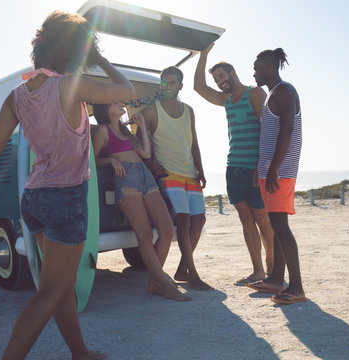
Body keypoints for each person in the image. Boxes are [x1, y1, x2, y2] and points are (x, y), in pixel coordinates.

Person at [0, 11, 136, 359]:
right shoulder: (71, 86)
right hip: (66, 198)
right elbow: (128, 90)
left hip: (34, 198)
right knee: (50, 290)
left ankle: (80, 352)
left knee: (58, 287)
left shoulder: (17, 94)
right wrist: (102, 60)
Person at [194, 43, 275, 285]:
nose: (219, 82)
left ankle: (272, 267)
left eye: (221, 76)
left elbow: (267, 130)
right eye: (217, 79)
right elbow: (199, 87)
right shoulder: (226, 100)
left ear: (232, 73)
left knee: (262, 219)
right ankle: (257, 271)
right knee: (245, 219)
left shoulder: (255, 93)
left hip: (254, 168)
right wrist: (203, 54)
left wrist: (261, 166)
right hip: (234, 168)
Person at [91, 102, 190, 301]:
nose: (121, 104)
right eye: (115, 103)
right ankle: (163, 284)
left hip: (145, 175)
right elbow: (91, 160)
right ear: (106, 108)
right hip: (126, 178)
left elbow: (145, 153)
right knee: (144, 235)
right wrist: (111, 160)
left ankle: (154, 282)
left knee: (167, 230)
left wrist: (142, 127)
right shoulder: (103, 130)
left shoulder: (127, 131)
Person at [140, 66, 211, 290]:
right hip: (168, 173)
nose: (167, 86)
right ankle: (193, 273)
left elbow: (194, 142)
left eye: (171, 83)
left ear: (180, 86)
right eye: (163, 82)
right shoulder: (151, 111)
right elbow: (139, 142)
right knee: (183, 219)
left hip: (189, 172)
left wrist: (200, 169)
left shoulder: (189, 110)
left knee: (199, 220)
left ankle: (183, 268)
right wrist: (150, 163)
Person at [246, 48, 306, 305]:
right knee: (277, 224)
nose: (254, 73)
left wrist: (274, 168)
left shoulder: (285, 90)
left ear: (269, 68)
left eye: (257, 68)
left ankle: (296, 287)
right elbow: (269, 136)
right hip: (271, 169)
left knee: (280, 225)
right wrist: (261, 167)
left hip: (280, 171)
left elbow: (288, 129)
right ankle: (276, 279)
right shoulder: (273, 93)